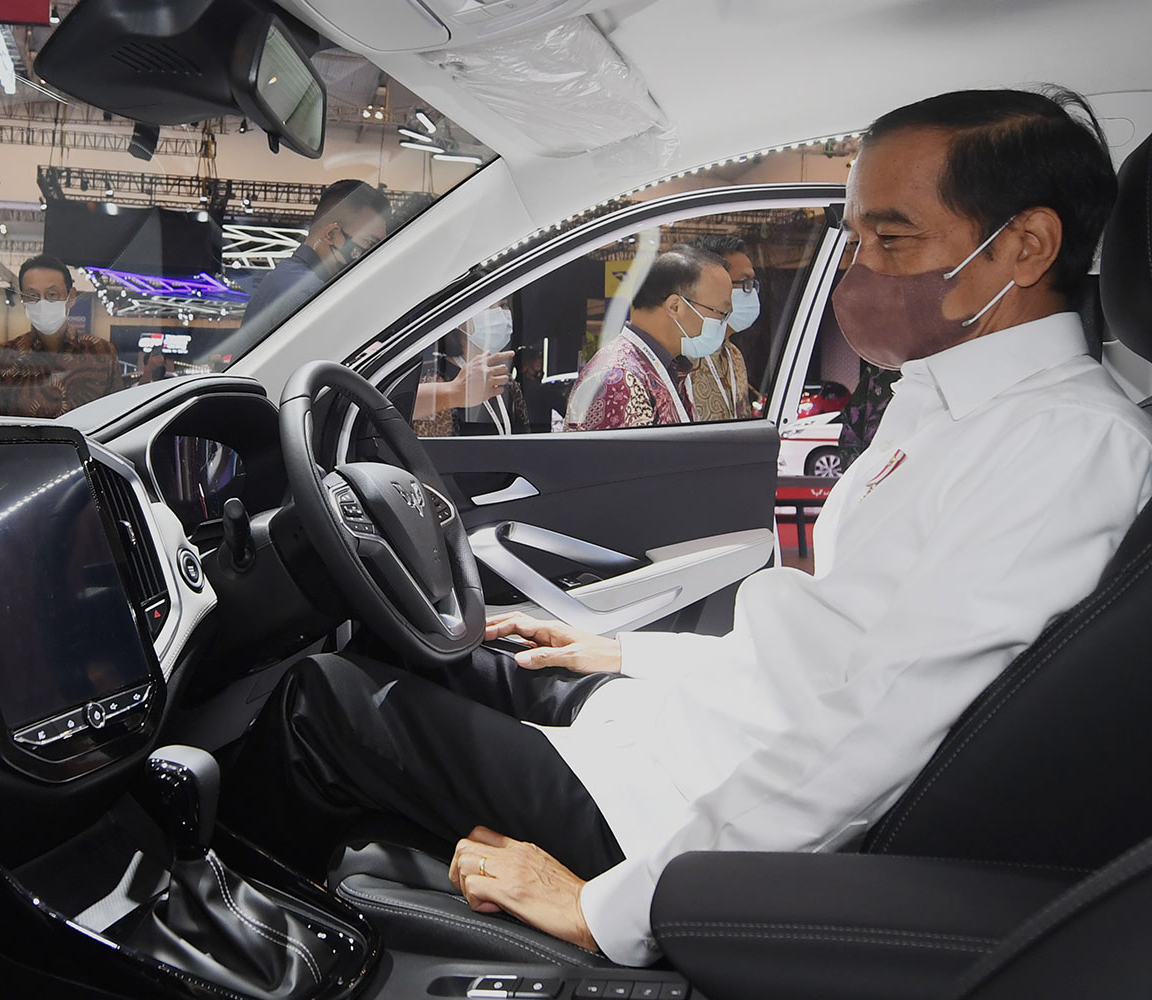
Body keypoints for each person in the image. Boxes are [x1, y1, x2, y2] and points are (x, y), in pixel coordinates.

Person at [220, 87, 1152, 967]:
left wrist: (614, 910)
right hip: (692, 733)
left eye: (892, 239)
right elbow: (824, 657)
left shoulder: (1065, 447)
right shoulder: (948, 404)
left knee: (320, 704)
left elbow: (887, 724)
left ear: (1025, 245)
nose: (857, 270)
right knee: (425, 645)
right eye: (855, 237)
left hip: (689, 810)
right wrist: (625, 655)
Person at [564, 245, 731, 430]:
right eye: (721, 313)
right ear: (675, 307)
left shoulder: (663, 367)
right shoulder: (620, 380)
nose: (724, 323)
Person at [234, 180, 390, 347]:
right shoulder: (309, 296)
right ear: (331, 234)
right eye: (370, 242)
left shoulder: (288, 276)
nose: (374, 253)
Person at [0, 254, 119, 418]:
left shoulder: (102, 353)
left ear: (71, 297)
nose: (42, 304)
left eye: (52, 294)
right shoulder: (1, 358)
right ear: (23, 299)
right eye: (32, 296)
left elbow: (115, 418)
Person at [412, 301, 527, 436]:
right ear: (460, 320)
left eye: (503, 306)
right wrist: (454, 391)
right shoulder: (433, 381)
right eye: (488, 307)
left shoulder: (506, 381)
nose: (500, 314)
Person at [684, 234, 758, 420]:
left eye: (752, 283)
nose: (752, 292)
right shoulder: (679, 358)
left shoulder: (733, 355)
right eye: (745, 282)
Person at [513, 346, 568, 433]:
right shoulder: (543, 392)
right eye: (537, 360)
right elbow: (569, 411)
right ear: (524, 366)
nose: (541, 365)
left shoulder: (507, 391)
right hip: (540, 439)